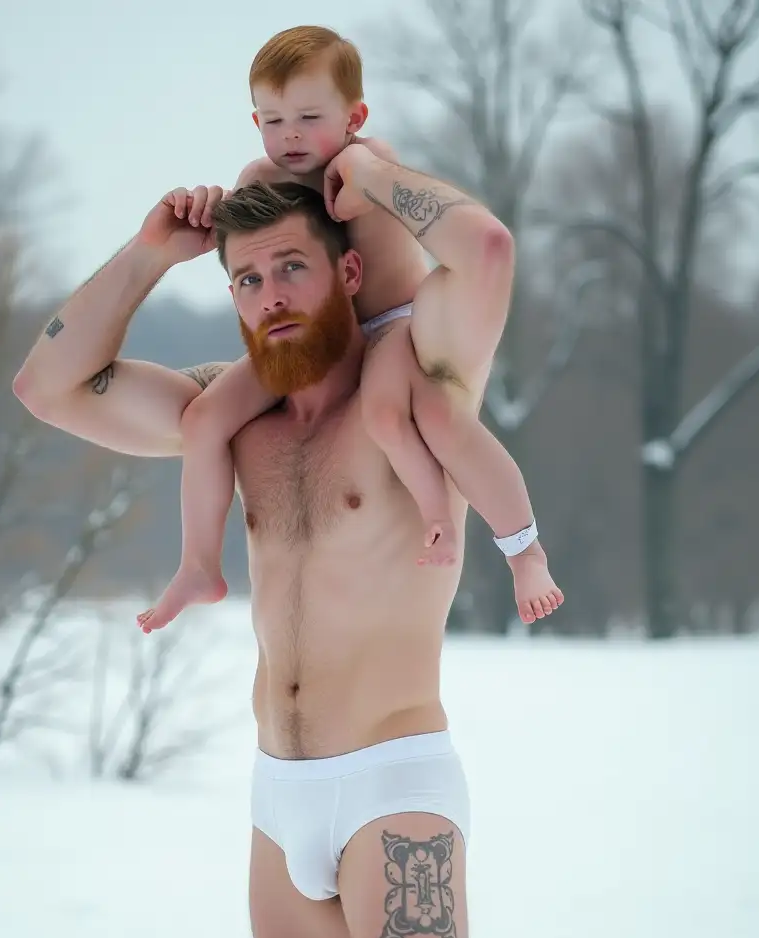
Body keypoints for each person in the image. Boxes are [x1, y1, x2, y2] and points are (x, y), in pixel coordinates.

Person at [13, 142, 554, 938]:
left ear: (347, 272)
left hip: (394, 784)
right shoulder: (231, 414)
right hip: (280, 802)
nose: (267, 298)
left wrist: (371, 169)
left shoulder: (416, 387)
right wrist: (150, 251)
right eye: (246, 279)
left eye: (290, 268)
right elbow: (47, 386)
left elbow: (484, 248)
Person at [134, 24, 564, 635]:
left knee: (410, 416)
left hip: (388, 330)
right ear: (255, 123)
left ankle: (521, 549)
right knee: (204, 418)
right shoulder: (259, 180)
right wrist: (194, 211)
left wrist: (370, 176)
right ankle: (199, 565)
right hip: (310, 341)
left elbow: (463, 237)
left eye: (309, 117)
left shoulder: (371, 162)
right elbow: (244, 262)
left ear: (354, 116)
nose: (291, 135)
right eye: (274, 120)